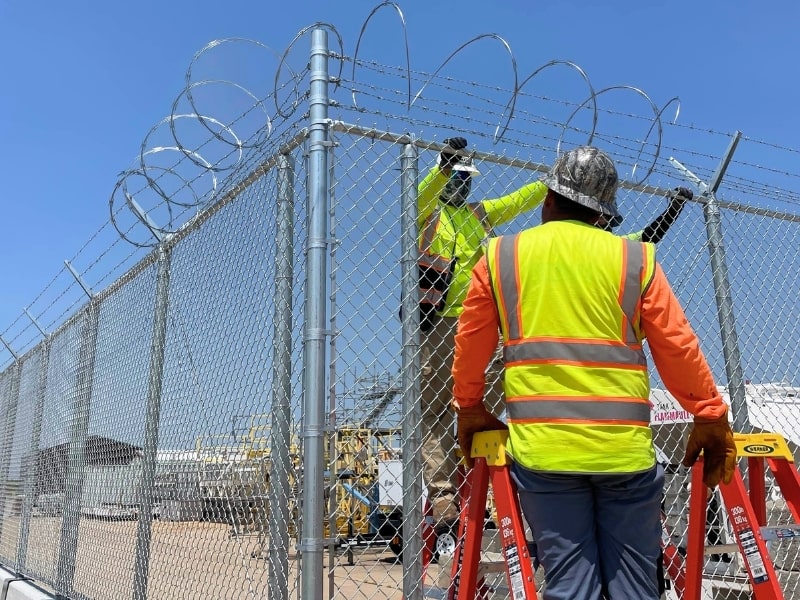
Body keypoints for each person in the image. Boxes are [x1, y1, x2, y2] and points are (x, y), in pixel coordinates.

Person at [450, 145, 736, 599]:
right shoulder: (635, 259)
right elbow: (677, 346)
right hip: (622, 453)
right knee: (635, 587)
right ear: (603, 212)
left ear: (548, 198)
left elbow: (471, 344)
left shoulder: (501, 257)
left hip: (546, 453)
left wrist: (468, 406)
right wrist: (709, 413)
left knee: (570, 585)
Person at [417, 137, 693, 529]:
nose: (462, 185)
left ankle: (472, 477)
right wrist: (443, 165)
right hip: (440, 320)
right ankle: (443, 492)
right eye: (455, 178)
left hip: (483, 321)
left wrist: (564, 179)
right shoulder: (426, 212)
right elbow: (424, 192)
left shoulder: (480, 213)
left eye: (466, 178)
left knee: (486, 401)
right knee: (434, 408)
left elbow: (522, 200)